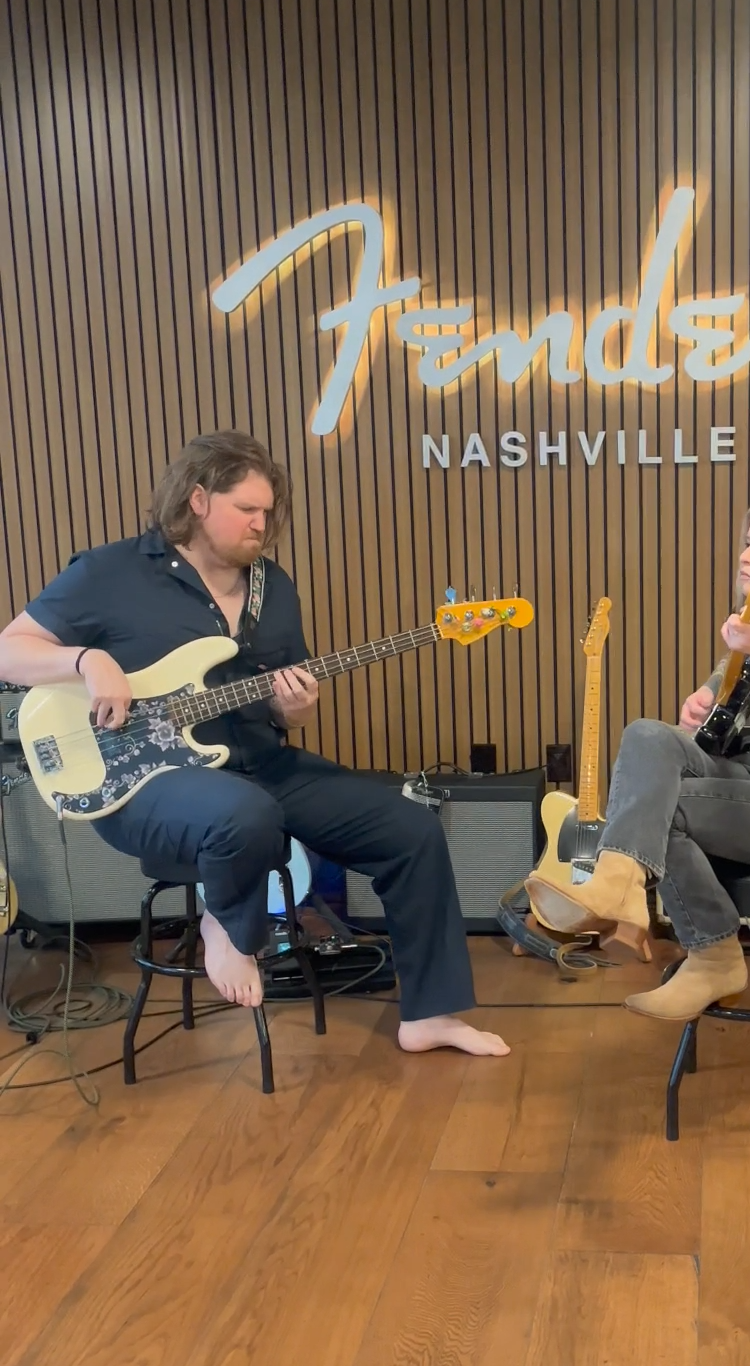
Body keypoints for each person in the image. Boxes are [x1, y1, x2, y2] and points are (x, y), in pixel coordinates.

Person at [0, 431, 509, 1057]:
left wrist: (290, 708)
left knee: (410, 829)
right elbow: (9, 649)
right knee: (244, 814)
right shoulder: (111, 572)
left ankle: (429, 1014)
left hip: (258, 765)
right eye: (247, 509)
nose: (262, 524)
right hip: (142, 784)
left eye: (268, 512)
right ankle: (230, 926)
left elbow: (276, 700)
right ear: (198, 499)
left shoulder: (273, 587)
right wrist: (86, 660)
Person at [525, 495, 750, 1021]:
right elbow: (709, 726)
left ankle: (705, 947)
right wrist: (697, 711)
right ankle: (621, 882)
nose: (745, 556)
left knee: (666, 804)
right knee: (648, 735)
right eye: (748, 542)